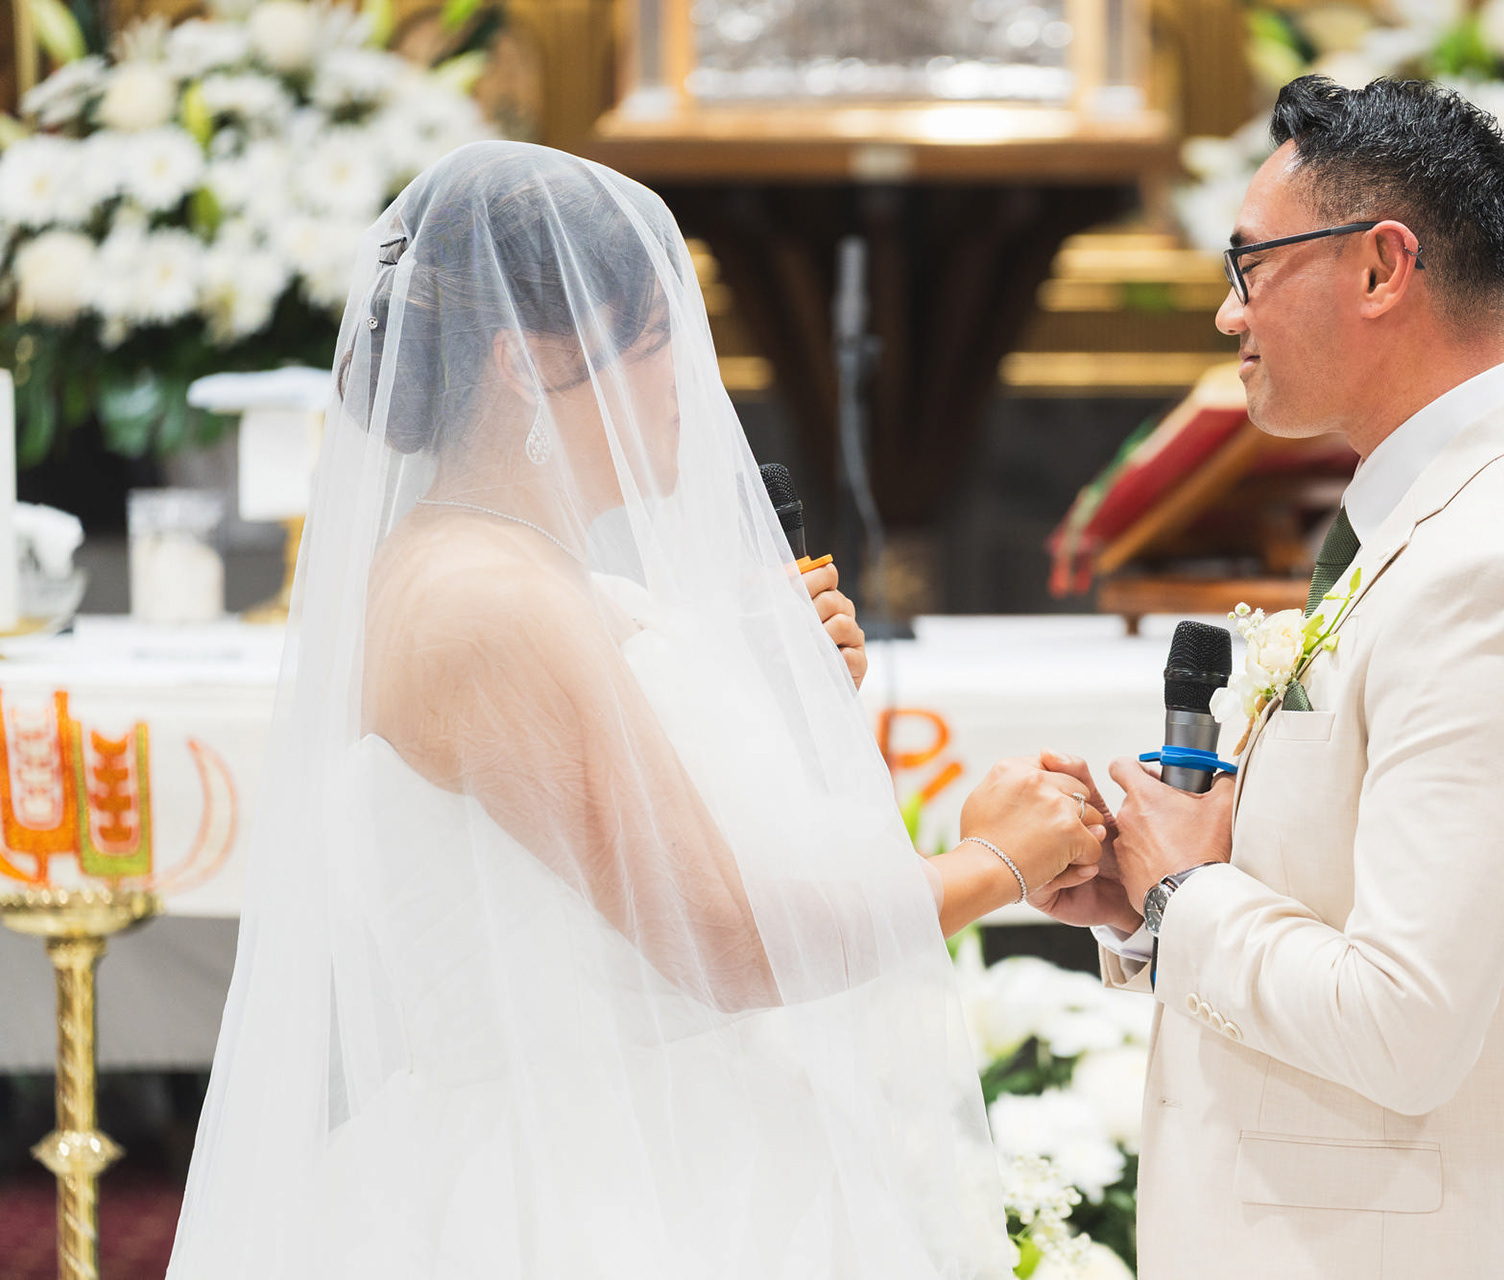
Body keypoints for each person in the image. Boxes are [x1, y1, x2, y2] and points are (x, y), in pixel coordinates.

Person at [166, 140, 1102, 1280]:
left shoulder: (514, 565)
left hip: (654, 1130)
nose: (690, 384)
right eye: (657, 341)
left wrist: (763, 676)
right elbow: (717, 940)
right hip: (585, 1185)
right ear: (524, 362)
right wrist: (996, 865)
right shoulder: (487, 600)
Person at [1032, 77, 1504, 1280]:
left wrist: (1185, 897)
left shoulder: (1499, 567)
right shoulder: (1444, 507)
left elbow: (1404, 1022)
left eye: (1251, 263)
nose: (1228, 310)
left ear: (1380, 266)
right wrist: (1149, 891)